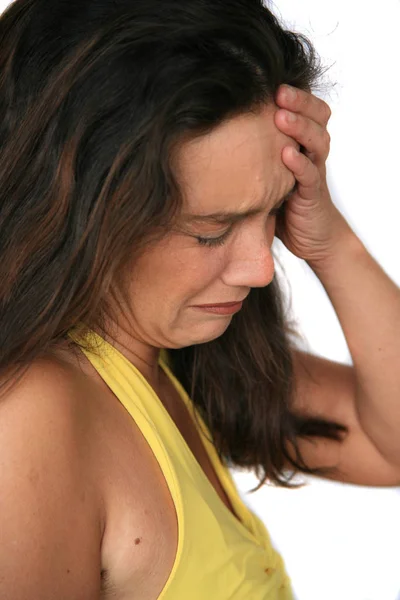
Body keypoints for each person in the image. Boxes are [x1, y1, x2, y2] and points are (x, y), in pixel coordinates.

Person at [0, 0, 399, 598]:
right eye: (211, 230)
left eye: (274, 210)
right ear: (79, 217)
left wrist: (331, 243)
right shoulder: (35, 418)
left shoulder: (174, 359)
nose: (262, 269)